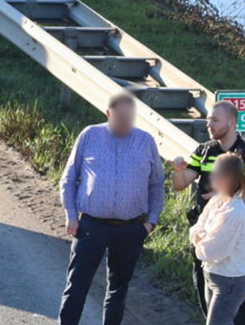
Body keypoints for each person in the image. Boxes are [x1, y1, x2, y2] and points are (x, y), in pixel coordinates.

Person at [58, 91, 165, 325]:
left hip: (131, 228)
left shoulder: (145, 141)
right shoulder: (89, 135)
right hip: (91, 226)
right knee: (77, 285)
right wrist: (71, 216)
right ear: (108, 114)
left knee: (118, 290)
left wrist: (150, 223)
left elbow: (157, 184)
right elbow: (68, 178)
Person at [172, 100, 245, 325]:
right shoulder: (204, 150)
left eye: (215, 120)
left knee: (236, 305)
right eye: (208, 119)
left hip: (231, 236)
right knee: (207, 299)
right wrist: (178, 172)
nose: (209, 124)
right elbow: (181, 184)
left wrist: (228, 200)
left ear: (231, 122)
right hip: (203, 234)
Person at [190, 153, 245, 325]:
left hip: (229, 283)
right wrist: (200, 237)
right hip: (213, 276)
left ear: (228, 178)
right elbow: (197, 226)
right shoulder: (217, 201)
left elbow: (212, 251)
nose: (211, 177)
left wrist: (198, 242)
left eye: (216, 173)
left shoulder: (234, 212)